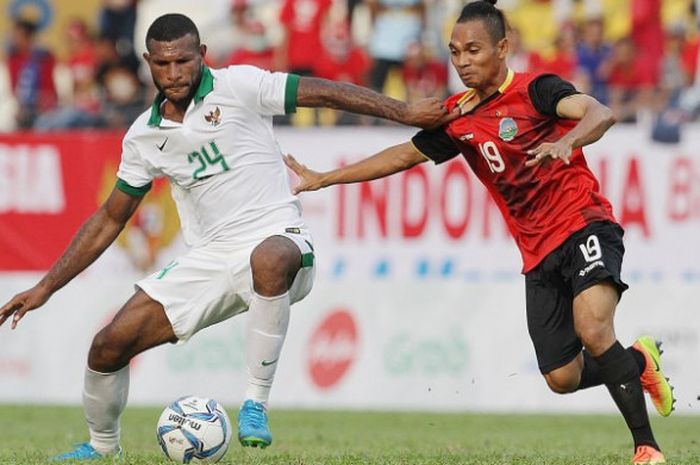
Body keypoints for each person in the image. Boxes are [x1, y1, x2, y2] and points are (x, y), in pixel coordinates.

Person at [0, 13, 455, 461]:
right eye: (163, 64)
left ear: (202, 54)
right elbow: (109, 219)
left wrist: (404, 112)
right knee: (107, 347)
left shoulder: (239, 86)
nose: (174, 73)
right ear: (147, 61)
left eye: (183, 61)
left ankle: (255, 403)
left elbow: (324, 92)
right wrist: (45, 287)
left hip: (281, 236)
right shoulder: (143, 136)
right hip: (211, 259)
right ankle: (102, 448)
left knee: (270, 256)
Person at [283, 2, 675, 464]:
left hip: (584, 223)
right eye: (454, 52)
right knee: (562, 378)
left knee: (593, 327)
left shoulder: (537, 90)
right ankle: (639, 362)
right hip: (536, 252)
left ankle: (646, 448)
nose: (463, 61)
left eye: (473, 50)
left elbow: (599, 112)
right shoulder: (458, 117)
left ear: (503, 48)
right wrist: (325, 177)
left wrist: (566, 141)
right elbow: (401, 156)